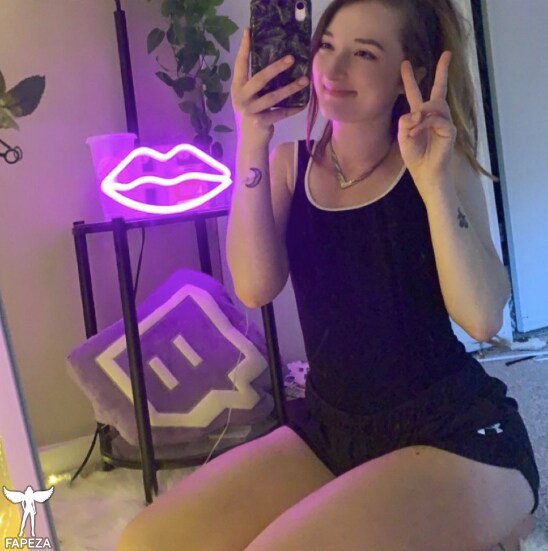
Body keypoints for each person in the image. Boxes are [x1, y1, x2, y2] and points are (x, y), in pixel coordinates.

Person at [117, 1, 540, 550]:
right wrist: (251, 137)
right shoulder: (288, 167)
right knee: (146, 541)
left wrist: (434, 185)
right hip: (328, 428)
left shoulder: (439, 164)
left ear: (408, 71)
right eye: (327, 45)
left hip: (452, 431)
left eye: (364, 53)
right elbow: (254, 287)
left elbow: (483, 320)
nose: (333, 70)